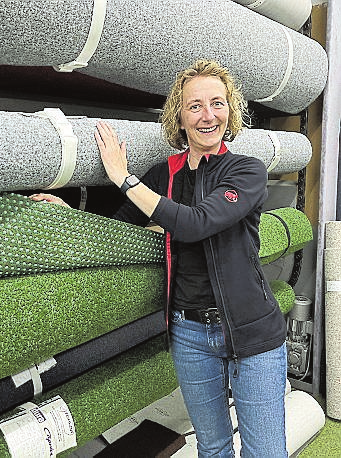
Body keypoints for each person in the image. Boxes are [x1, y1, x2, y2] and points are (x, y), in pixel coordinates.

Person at [30, 59, 288, 457]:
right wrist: (68, 216)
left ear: (230, 111)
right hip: (190, 335)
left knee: (264, 453)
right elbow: (120, 229)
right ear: (179, 117)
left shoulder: (246, 171)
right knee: (213, 446)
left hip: (253, 332)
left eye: (217, 103)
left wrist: (123, 177)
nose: (208, 115)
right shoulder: (162, 175)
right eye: (195, 105)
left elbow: (197, 223)